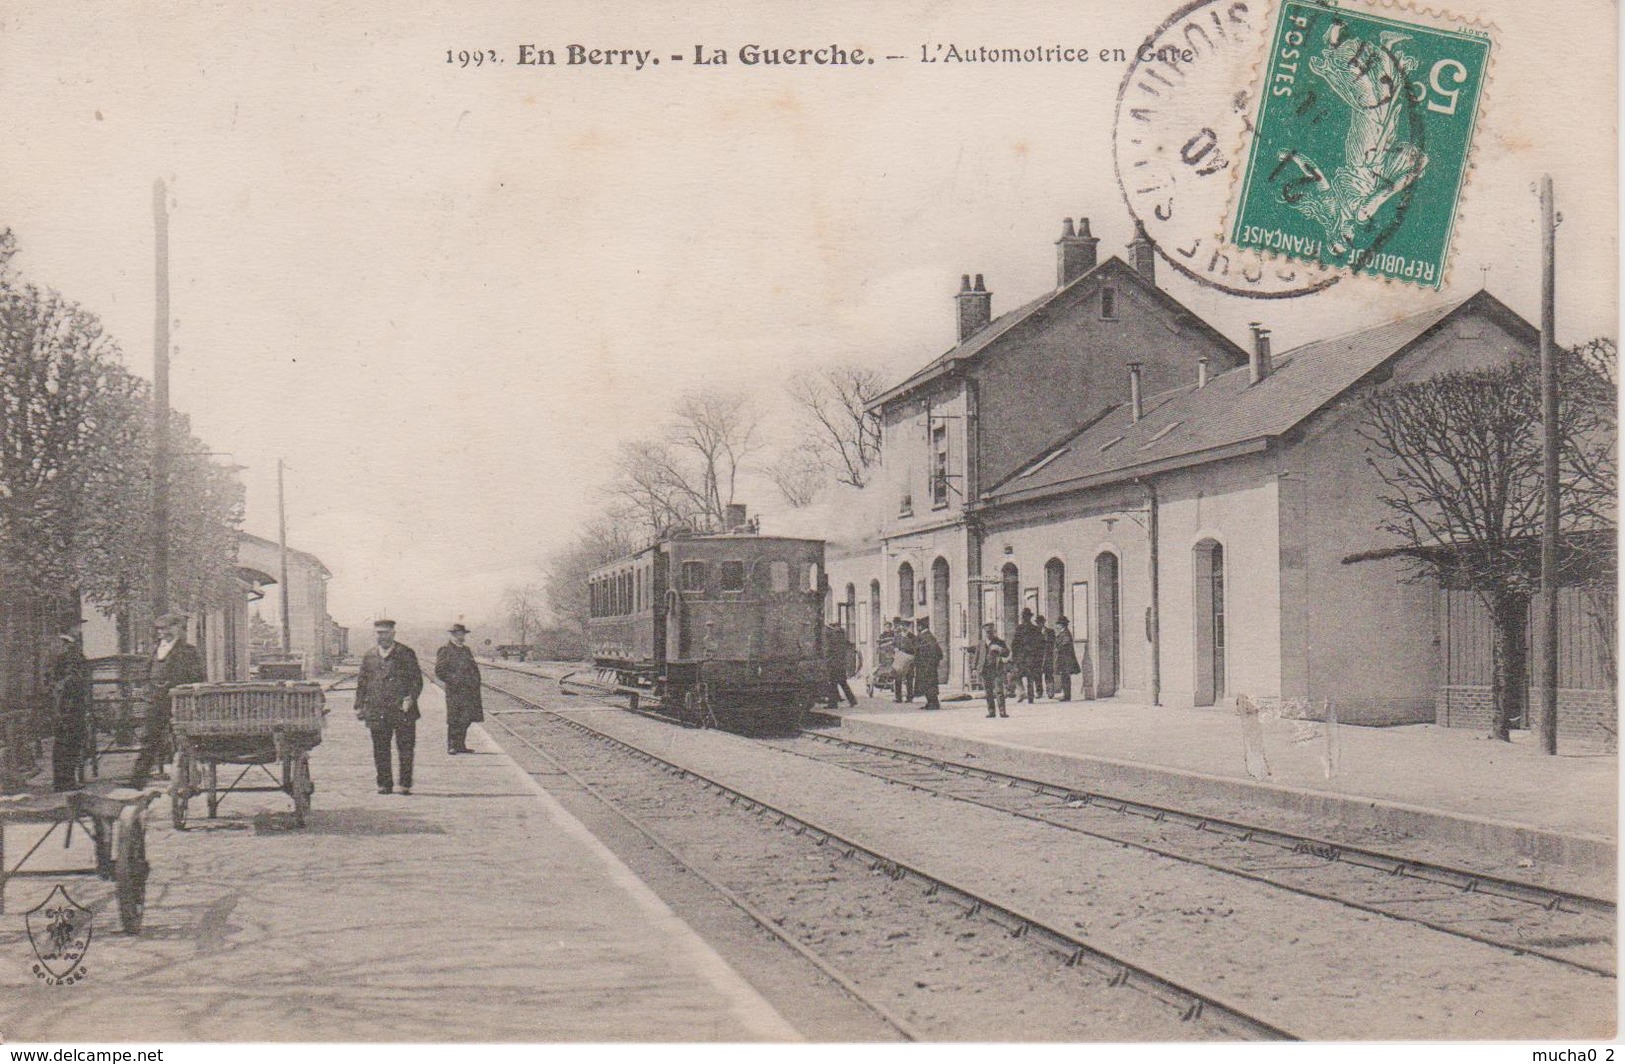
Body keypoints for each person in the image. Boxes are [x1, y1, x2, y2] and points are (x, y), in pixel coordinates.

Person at [132, 613, 205, 786]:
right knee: (149, 738)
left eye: (169, 628)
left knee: (182, 739)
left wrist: (183, 691)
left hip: (179, 702)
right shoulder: (154, 650)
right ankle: (138, 779)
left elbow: (198, 676)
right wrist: (147, 689)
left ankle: (185, 778)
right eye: (161, 629)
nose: (165, 632)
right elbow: (144, 672)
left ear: (179, 628)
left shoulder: (188, 651)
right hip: (155, 701)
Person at [356, 619, 424, 795]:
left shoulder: (406, 653)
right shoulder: (369, 655)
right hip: (377, 709)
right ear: (375, 634)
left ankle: (405, 783)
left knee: (406, 748)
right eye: (379, 633)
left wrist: (411, 697)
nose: (382, 636)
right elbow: (362, 682)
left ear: (393, 634)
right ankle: (384, 783)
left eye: (386, 633)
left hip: (403, 709)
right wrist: (359, 705)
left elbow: (416, 680)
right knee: (380, 748)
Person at [50, 618, 92, 791]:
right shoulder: (69, 648)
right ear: (72, 628)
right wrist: (81, 684)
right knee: (70, 740)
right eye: (78, 626)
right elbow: (71, 677)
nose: (80, 630)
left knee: (63, 740)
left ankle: (63, 779)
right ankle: (65, 781)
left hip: (62, 702)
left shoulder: (59, 646)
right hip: (70, 703)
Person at [435, 622, 483, 754]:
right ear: (453, 635)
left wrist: (475, 681)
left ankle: (461, 744)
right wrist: (455, 680)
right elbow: (439, 671)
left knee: (466, 718)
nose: (461, 637)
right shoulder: (445, 649)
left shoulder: (466, 650)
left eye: (462, 634)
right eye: (458, 634)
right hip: (455, 691)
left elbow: (472, 668)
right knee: (454, 718)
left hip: (469, 691)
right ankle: (452, 745)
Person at [974, 622, 1010, 718]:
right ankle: (991, 712)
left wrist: (999, 649)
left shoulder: (999, 642)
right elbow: (977, 656)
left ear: (994, 632)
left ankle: (1002, 712)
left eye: (991, 632)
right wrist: (974, 668)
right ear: (984, 632)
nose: (989, 634)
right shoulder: (981, 643)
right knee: (988, 692)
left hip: (996, 670)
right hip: (984, 670)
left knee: (999, 691)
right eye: (987, 632)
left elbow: (1007, 653)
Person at [1010, 608, 1042, 704]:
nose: (1024, 618)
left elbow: (1014, 643)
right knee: (1030, 677)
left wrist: (1014, 655)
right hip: (1031, 657)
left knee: (1016, 675)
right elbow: (1040, 644)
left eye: (1024, 617)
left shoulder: (1019, 628)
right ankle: (1029, 696)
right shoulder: (1036, 629)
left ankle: (1022, 692)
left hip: (1021, 657)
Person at [912, 618, 943, 710]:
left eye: (918, 626)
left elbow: (934, 651)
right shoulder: (925, 635)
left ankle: (933, 703)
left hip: (927, 666)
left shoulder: (926, 636)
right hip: (925, 665)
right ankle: (930, 702)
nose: (917, 628)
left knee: (929, 685)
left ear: (921, 626)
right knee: (926, 685)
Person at [824, 622, 858, 709]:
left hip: (834, 664)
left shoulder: (833, 638)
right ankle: (852, 701)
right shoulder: (842, 638)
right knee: (842, 683)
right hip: (841, 664)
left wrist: (827, 658)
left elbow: (829, 651)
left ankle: (833, 703)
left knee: (833, 684)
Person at [1053, 616, 1081, 701]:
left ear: (1062, 625)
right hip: (1063, 658)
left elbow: (1065, 643)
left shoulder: (1065, 633)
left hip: (1065, 659)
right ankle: (1066, 695)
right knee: (1064, 677)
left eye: (1058, 624)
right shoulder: (1062, 633)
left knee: (1065, 677)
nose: (1057, 625)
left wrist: (1058, 648)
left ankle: (1067, 696)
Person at [891, 618, 916, 704]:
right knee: (898, 678)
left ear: (909, 627)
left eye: (906, 626)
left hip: (909, 658)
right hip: (899, 657)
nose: (904, 627)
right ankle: (898, 697)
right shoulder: (897, 636)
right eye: (902, 625)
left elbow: (915, 647)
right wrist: (895, 648)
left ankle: (910, 697)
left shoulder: (912, 637)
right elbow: (893, 645)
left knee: (909, 677)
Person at [1037, 614, 1056, 698]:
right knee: (1037, 675)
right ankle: (1039, 692)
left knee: (1049, 674)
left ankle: (1050, 692)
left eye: (1041, 622)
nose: (1039, 624)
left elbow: (1053, 643)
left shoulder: (1050, 632)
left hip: (1048, 656)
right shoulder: (1034, 633)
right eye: (1038, 622)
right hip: (1037, 657)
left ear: (1044, 622)